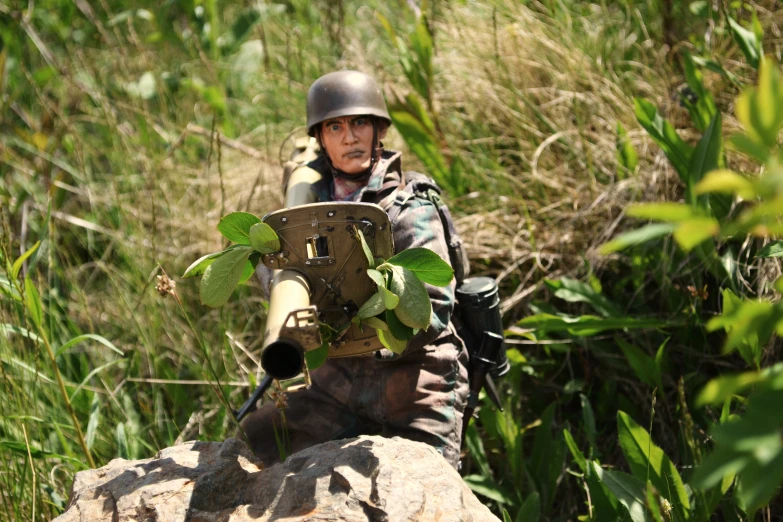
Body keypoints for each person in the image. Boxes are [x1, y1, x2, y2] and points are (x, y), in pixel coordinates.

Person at [240, 70, 469, 469]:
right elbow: (276, 281)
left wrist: (350, 324)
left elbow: (432, 310)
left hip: (415, 378)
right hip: (337, 379)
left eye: (360, 122)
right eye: (335, 126)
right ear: (320, 139)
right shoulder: (304, 209)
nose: (350, 137)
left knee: (424, 484)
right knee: (258, 454)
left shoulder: (408, 206)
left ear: (379, 129)